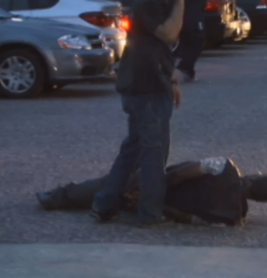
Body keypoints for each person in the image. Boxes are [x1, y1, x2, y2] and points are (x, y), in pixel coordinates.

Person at [91, 0, 185, 227]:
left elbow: (154, 44)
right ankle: (150, 213)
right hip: (148, 86)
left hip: (143, 81)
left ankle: (105, 204)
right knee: (154, 151)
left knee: (134, 147)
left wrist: (171, 79)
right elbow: (169, 34)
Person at [36, 157, 267, 226]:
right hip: (155, 206)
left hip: (156, 185)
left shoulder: (227, 167)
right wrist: (156, 204)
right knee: (120, 194)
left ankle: (58, 197)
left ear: (254, 178)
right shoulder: (234, 218)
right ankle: (115, 205)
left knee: (114, 182)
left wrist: (154, 186)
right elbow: (190, 219)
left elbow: (187, 171)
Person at [174, 0, 207, 82]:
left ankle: (186, 69)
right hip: (192, 16)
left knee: (190, 41)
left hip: (184, 16)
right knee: (197, 39)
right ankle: (185, 69)